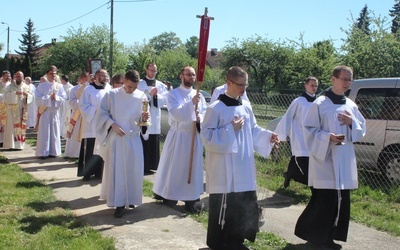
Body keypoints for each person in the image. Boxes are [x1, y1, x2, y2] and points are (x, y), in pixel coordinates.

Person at [200, 66, 279, 250]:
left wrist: (268, 137)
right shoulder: (215, 108)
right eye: (240, 84)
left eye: (246, 85)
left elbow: (253, 130)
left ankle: (237, 241)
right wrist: (230, 129)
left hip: (243, 165)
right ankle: (220, 243)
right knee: (225, 206)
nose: (244, 89)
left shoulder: (245, 107)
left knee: (242, 204)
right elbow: (207, 138)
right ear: (228, 83)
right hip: (223, 168)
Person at [294, 66, 366, 249]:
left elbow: (362, 129)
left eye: (350, 80)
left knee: (340, 201)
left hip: (343, 160)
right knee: (325, 201)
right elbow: (308, 129)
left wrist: (352, 123)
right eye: (344, 79)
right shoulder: (320, 103)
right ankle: (316, 237)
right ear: (334, 79)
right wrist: (327, 138)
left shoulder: (351, 105)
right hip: (325, 161)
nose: (347, 83)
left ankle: (330, 237)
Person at [152, 66, 207, 213]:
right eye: (188, 74)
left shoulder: (199, 95)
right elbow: (176, 113)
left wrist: (200, 116)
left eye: (193, 75)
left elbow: (205, 112)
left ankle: (191, 198)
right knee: (176, 167)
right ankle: (170, 195)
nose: (191, 77)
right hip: (179, 135)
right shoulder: (173, 94)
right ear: (181, 76)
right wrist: (191, 104)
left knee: (193, 167)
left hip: (193, 135)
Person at [96, 69, 150, 218]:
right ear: (124, 81)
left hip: (133, 139)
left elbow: (143, 120)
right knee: (118, 171)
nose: (132, 90)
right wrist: (112, 124)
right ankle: (119, 203)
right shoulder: (111, 95)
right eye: (129, 86)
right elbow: (101, 114)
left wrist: (145, 118)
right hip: (118, 139)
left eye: (134, 87)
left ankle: (131, 199)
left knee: (133, 170)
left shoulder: (141, 96)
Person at [274, 76, 319, 188]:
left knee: (300, 161)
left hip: (313, 137)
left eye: (316, 86)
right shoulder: (299, 101)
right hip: (300, 137)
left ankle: (289, 174)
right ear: (306, 85)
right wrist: (281, 135)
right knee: (303, 162)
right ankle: (312, 187)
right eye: (312, 85)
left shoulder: (318, 102)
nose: (314, 88)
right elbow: (287, 117)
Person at [78, 69, 111, 181]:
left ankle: (99, 172)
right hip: (91, 124)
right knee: (91, 148)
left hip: (104, 124)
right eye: (103, 76)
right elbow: (82, 105)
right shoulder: (88, 89)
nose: (105, 78)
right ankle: (87, 173)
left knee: (102, 147)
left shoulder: (109, 88)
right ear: (96, 77)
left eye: (106, 76)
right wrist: (95, 110)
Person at [137, 63, 169, 174]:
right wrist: (149, 95)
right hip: (145, 116)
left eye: (155, 71)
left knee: (154, 139)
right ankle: (144, 165)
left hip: (156, 116)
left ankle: (153, 165)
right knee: (144, 138)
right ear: (146, 70)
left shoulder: (160, 85)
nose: (153, 73)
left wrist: (156, 96)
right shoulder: (140, 83)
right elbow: (137, 97)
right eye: (151, 70)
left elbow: (165, 99)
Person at [35, 65, 67, 158]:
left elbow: (64, 98)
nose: (53, 75)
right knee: (44, 133)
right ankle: (43, 152)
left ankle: (54, 152)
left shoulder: (59, 86)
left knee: (54, 133)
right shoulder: (41, 86)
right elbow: (37, 99)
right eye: (51, 73)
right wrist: (49, 98)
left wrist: (56, 98)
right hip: (45, 112)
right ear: (47, 74)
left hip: (54, 112)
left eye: (55, 73)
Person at [3, 71, 34, 150]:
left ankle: (19, 145)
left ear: (23, 77)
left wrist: (27, 95)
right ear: (14, 77)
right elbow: (5, 97)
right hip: (12, 111)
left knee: (21, 127)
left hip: (22, 110)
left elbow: (32, 97)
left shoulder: (26, 87)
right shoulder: (9, 87)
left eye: (20, 76)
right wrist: (15, 93)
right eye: (17, 76)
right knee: (11, 128)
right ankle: (11, 145)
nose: (18, 78)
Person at [64, 72, 89, 158]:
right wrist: (81, 103)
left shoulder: (90, 88)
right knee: (75, 133)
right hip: (77, 115)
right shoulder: (74, 89)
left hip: (86, 115)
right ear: (82, 79)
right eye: (86, 79)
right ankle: (74, 153)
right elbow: (71, 102)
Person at [0, 70, 12, 147]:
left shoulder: (10, 85)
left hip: (7, 107)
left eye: (9, 76)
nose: (8, 77)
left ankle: (5, 140)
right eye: (7, 76)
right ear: (3, 76)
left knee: (6, 123)